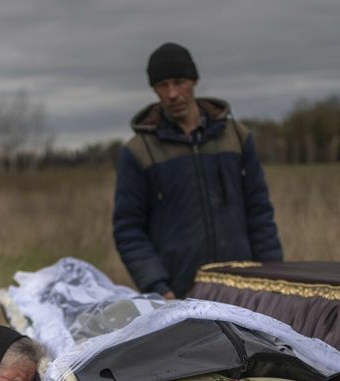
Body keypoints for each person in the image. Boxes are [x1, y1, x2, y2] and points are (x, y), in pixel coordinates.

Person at [113, 42, 283, 299]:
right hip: (180, 295)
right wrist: (158, 287)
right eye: (163, 85)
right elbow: (128, 228)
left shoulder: (237, 137)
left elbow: (259, 212)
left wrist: (273, 278)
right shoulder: (139, 151)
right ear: (154, 90)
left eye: (179, 82)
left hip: (245, 290)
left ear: (194, 81)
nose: (172, 93)